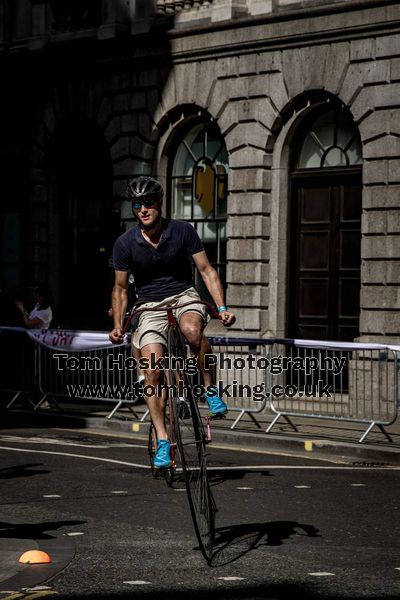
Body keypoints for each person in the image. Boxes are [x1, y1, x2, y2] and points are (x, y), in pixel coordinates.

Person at [109, 175, 235, 469]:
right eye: (137, 204)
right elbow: (120, 289)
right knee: (152, 372)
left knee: (192, 332)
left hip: (184, 296)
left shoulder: (182, 231)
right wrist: (118, 324)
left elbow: (206, 271)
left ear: (159, 204)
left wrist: (222, 307)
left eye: (149, 203)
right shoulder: (125, 243)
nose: (143, 209)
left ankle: (210, 389)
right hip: (148, 305)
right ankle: (163, 439)